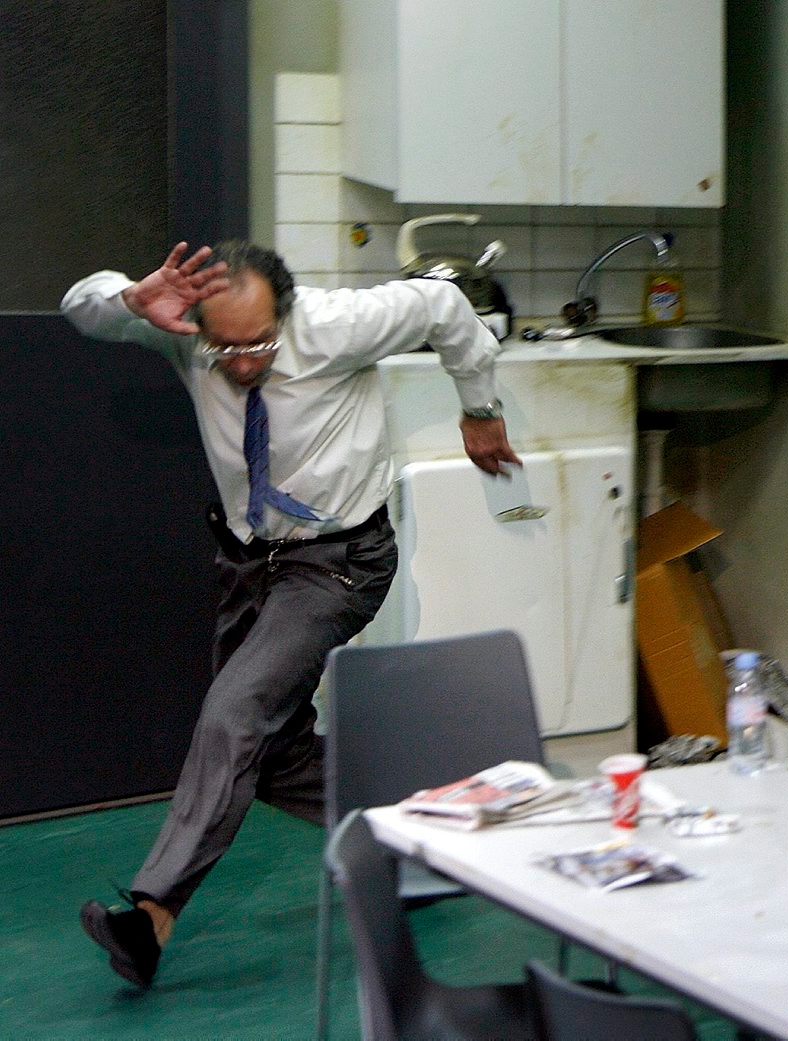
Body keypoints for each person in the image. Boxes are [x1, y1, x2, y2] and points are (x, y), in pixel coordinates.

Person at [61, 240, 520, 987]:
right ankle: (428, 832)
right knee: (272, 759)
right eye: (227, 347)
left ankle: (150, 917)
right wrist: (131, 299)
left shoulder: (338, 324)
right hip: (250, 561)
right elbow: (83, 302)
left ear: (288, 311)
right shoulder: (182, 327)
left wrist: (480, 409)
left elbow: (444, 302)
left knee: (233, 712)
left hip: (339, 561)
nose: (244, 361)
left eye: (261, 343)